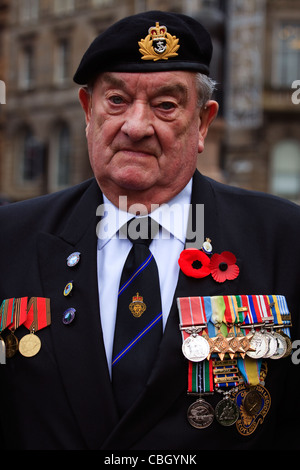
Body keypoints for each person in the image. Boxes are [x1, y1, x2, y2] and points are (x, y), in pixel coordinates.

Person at [0, 10, 299, 451]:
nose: (136, 126)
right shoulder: (10, 238)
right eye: (116, 100)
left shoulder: (284, 239)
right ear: (88, 111)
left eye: (166, 105)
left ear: (202, 123)